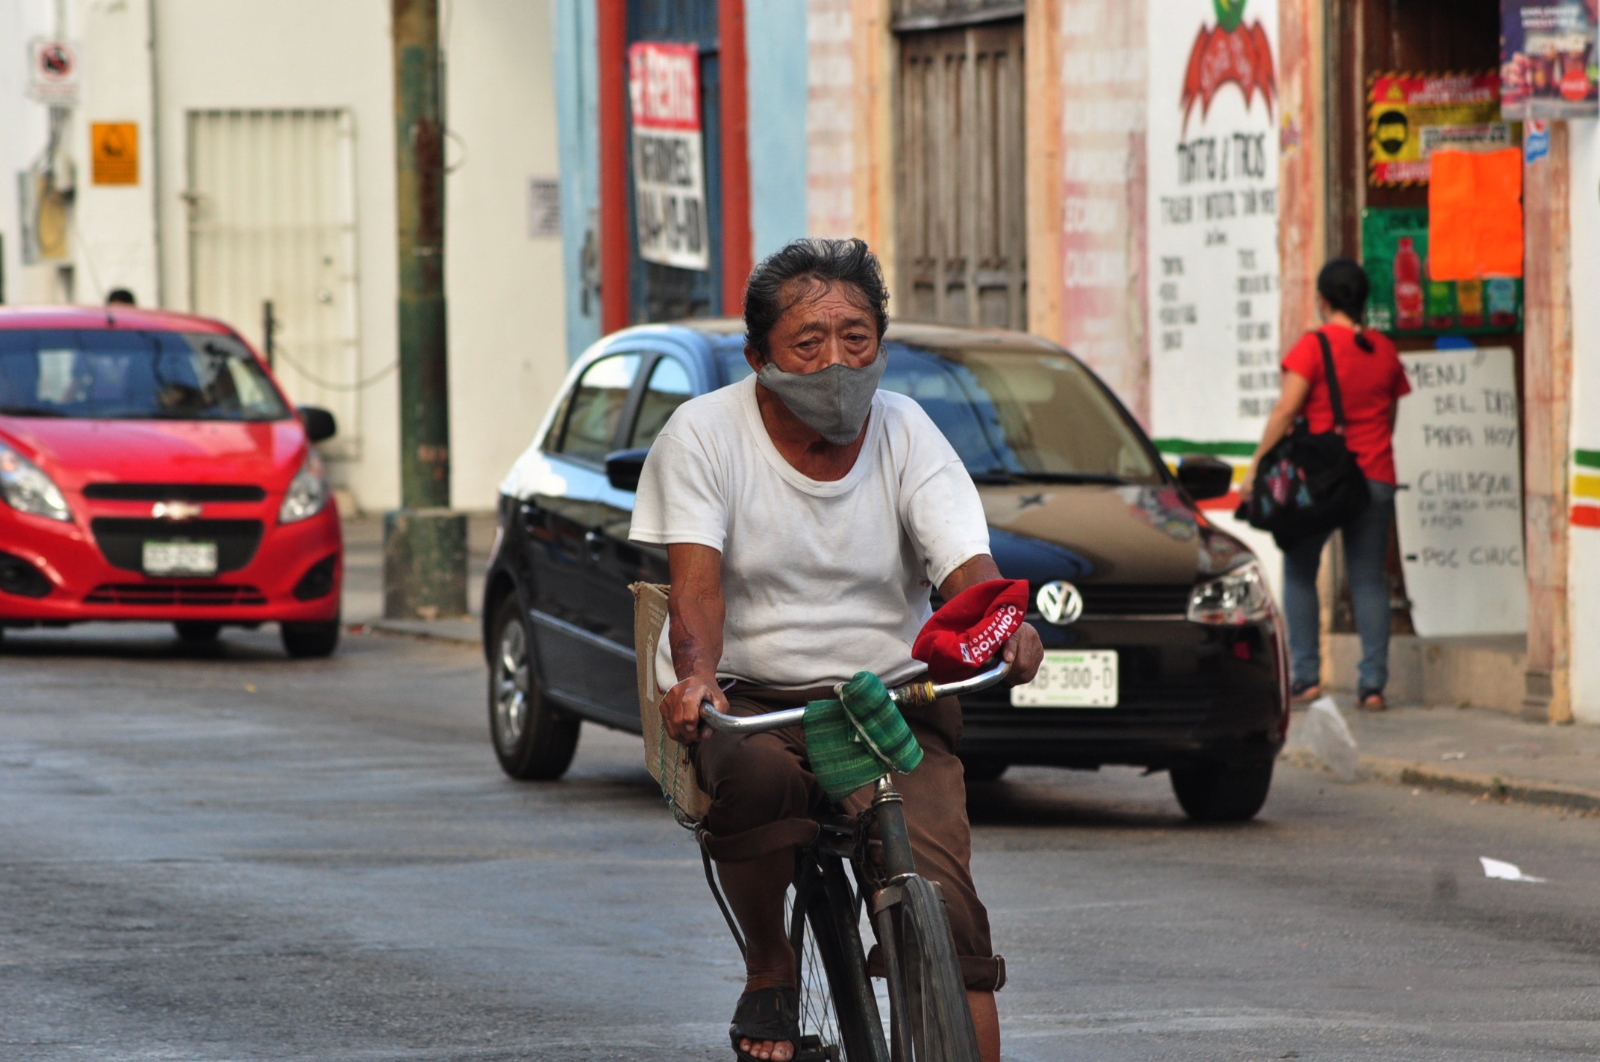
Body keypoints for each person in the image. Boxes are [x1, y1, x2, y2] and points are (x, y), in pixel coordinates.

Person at [629, 238, 1042, 1062]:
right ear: (758, 356)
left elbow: (963, 564)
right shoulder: (703, 435)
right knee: (757, 782)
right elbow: (698, 589)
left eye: (857, 338)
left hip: (888, 702)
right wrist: (699, 677)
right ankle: (768, 960)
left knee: (952, 914)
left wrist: (998, 621)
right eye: (808, 343)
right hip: (755, 699)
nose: (837, 363)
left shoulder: (907, 430)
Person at [1243, 258, 1411, 711]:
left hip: (1318, 482)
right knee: (1369, 581)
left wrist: (1256, 466)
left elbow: (1285, 411)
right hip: (1375, 477)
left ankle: (1307, 678)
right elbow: (1391, 415)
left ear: (1323, 299)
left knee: (1300, 572)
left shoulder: (1313, 347)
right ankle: (1372, 685)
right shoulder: (1384, 349)